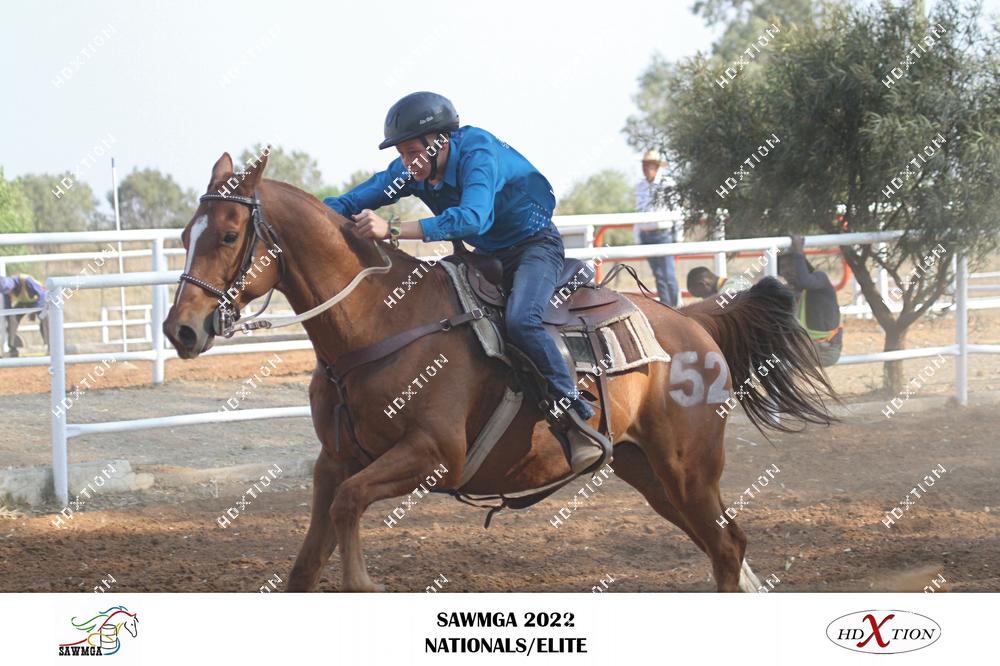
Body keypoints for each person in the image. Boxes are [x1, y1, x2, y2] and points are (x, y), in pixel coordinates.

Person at [322, 91, 608, 474]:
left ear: (440, 142)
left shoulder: (479, 151)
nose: (407, 163)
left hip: (534, 248)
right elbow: (348, 202)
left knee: (522, 320)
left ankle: (575, 414)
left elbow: (473, 218)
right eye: (402, 154)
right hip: (486, 254)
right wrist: (301, 215)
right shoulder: (412, 167)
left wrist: (391, 229)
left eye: (412, 152)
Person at [776, 235, 843, 366]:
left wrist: (798, 251)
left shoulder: (820, 279)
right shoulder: (790, 291)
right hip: (805, 349)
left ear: (803, 265)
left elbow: (805, 281)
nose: (787, 270)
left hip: (826, 350)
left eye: (792, 265)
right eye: (783, 267)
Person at [634, 150, 681, 306]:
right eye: (645, 165)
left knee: (669, 275)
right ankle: (667, 307)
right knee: (659, 276)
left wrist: (679, 236)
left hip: (663, 234)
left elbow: (677, 210)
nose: (646, 168)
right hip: (646, 235)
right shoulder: (640, 186)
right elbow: (637, 211)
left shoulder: (667, 184)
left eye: (650, 165)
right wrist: (637, 236)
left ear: (657, 166)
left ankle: (676, 309)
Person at [0, 273, 48, 357]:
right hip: (23, 303)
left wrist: (34, 311)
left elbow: (42, 295)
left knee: (45, 319)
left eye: (10, 290)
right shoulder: (5, 290)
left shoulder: (26, 280)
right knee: (12, 319)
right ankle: (12, 349)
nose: (9, 293)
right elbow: (7, 308)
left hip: (38, 302)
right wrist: (9, 323)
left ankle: (50, 347)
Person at [685, 266, 753, 301]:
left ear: (702, 285)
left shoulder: (726, 295)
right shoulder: (737, 280)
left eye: (700, 295)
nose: (704, 300)